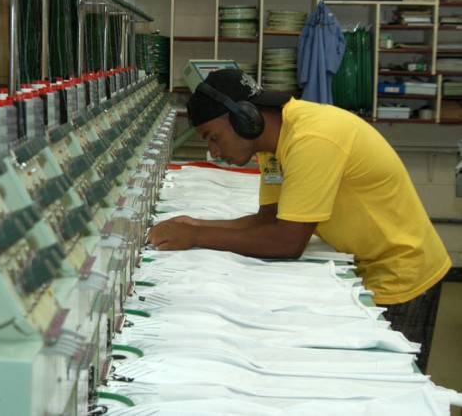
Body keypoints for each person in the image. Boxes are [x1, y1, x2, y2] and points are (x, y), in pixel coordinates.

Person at [147, 68, 451, 373]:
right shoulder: (275, 146)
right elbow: (267, 220)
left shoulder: (312, 139)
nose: (214, 152)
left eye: (214, 138)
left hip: (402, 276)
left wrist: (198, 238)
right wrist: (195, 225)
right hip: (371, 267)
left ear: (245, 118)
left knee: (388, 381)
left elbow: (287, 242)